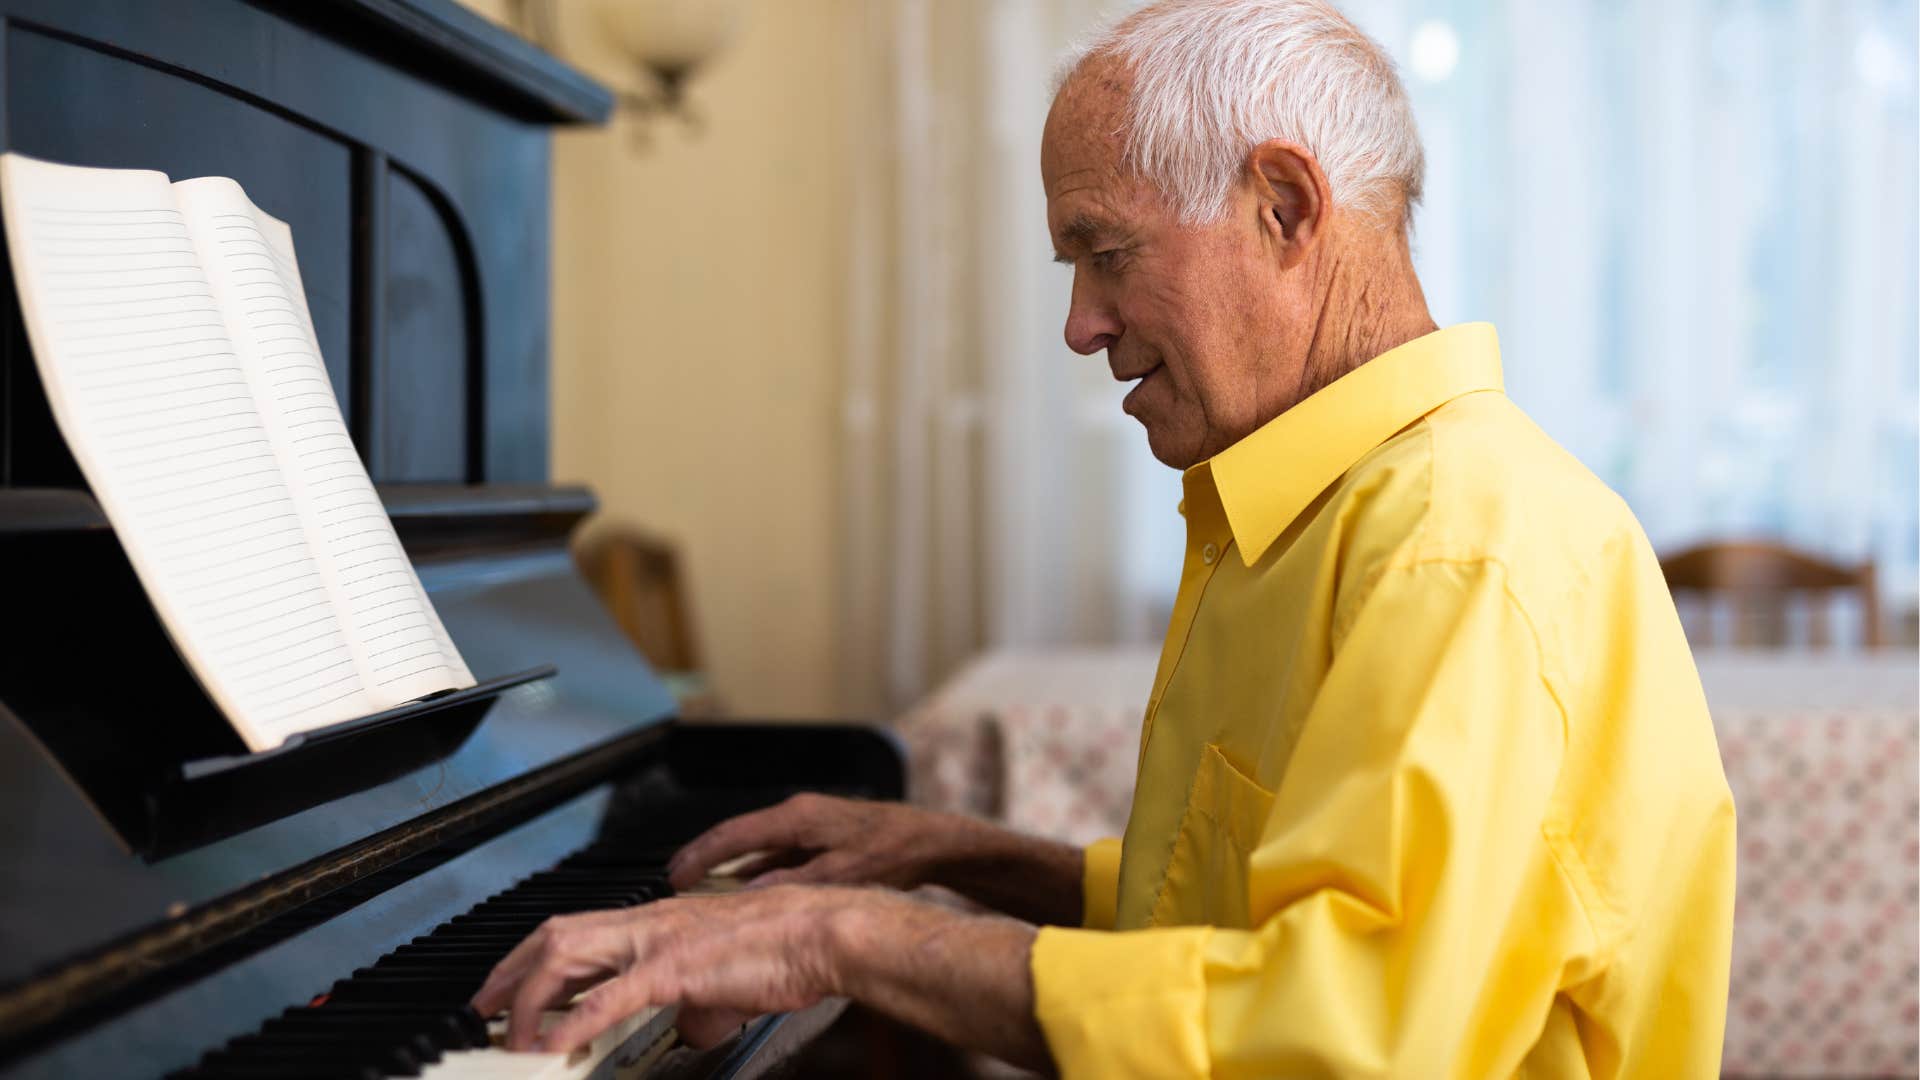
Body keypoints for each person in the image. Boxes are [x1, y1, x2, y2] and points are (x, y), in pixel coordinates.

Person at [473, 0, 1737, 1074]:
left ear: (1286, 205)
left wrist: (833, 938)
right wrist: (960, 856)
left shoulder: (1461, 541)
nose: (1080, 326)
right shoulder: (1320, 502)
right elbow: (1243, 924)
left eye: (1106, 251)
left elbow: (1331, 1039)